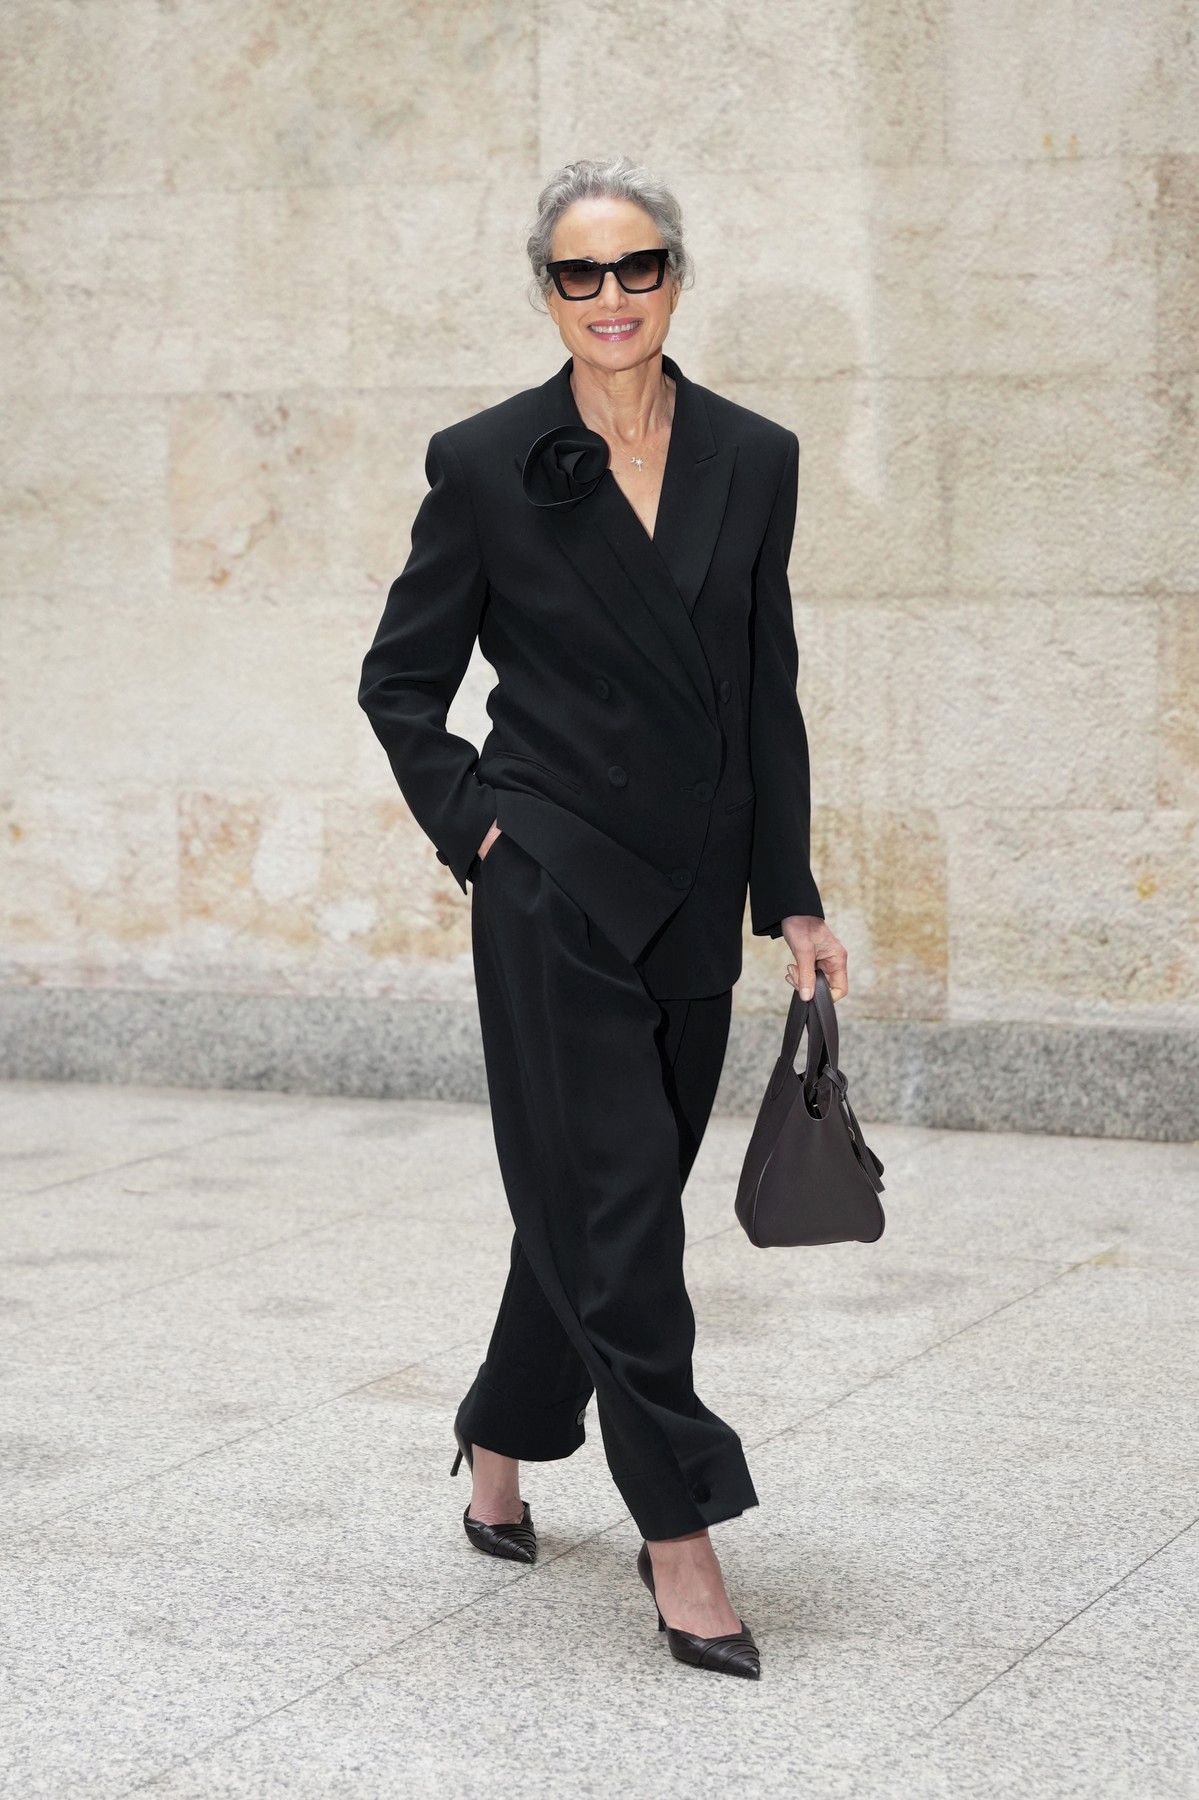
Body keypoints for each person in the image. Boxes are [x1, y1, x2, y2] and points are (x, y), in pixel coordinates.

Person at [358, 155, 849, 1680]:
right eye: (582, 274)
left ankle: (499, 1438)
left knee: (593, 1201)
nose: (613, 297)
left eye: (639, 268)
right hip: (554, 889)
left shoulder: (753, 456)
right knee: (624, 1218)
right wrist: (481, 828)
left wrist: (792, 893)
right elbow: (400, 681)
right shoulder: (486, 461)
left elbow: (763, 688)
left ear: (675, 277)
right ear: (547, 291)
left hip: (694, 893)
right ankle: (681, 1534)